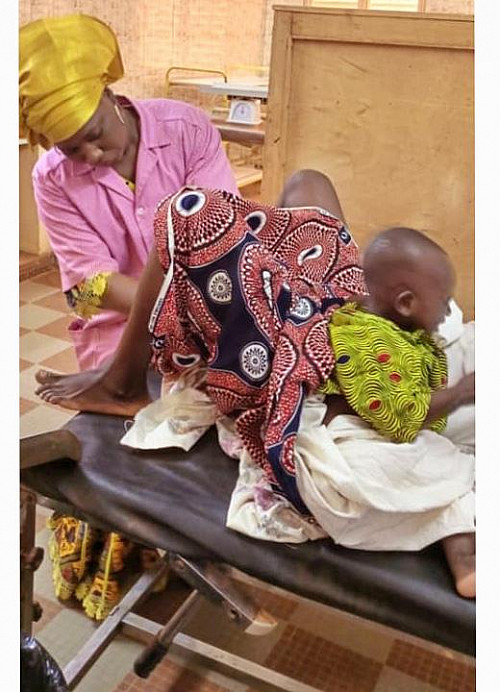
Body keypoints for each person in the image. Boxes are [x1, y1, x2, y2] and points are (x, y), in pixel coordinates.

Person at [35, 185, 475, 599]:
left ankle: (138, 369)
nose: (450, 309)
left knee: (231, 199)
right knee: (191, 210)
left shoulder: (401, 332)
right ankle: (124, 380)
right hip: (303, 330)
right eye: (444, 299)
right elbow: (399, 413)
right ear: (403, 303)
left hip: (313, 312)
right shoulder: (373, 345)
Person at [20, 13, 238, 619]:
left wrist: (177, 307)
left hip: (205, 309)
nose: (91, 153)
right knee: (124, 443)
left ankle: (204, 543)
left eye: (94, 131)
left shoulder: (187, 130)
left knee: (208, 415)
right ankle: (133, 555)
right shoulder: (52, 177)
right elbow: (87, 286)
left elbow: (218, 242)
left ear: (112, 95)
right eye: (71, 147)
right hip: (113, 323)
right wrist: (142, 331)